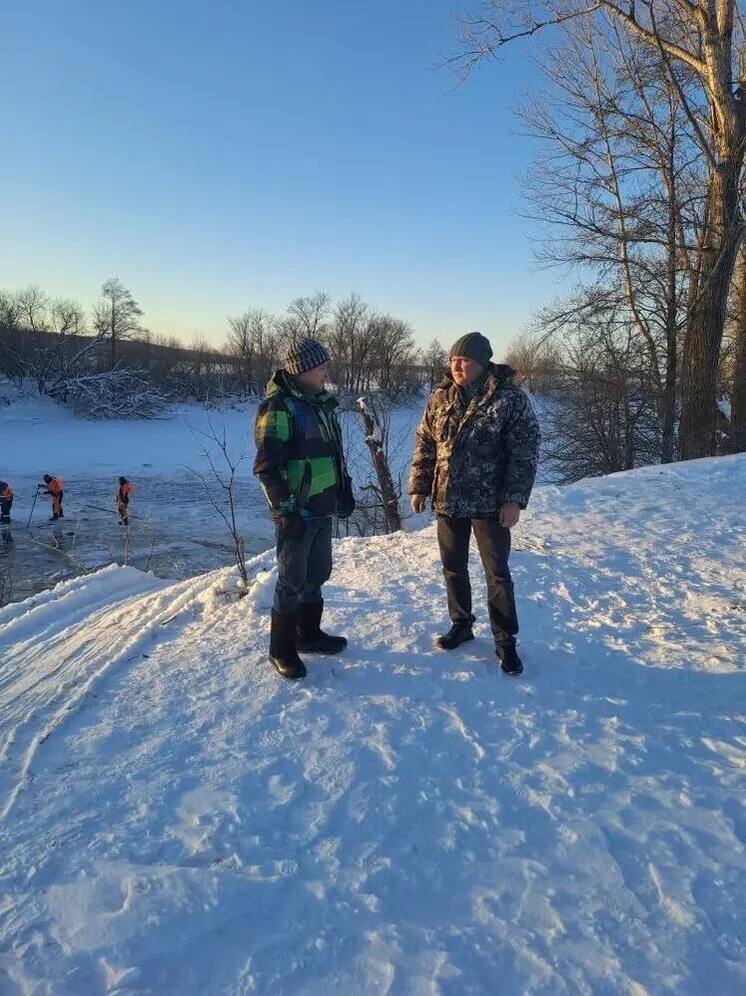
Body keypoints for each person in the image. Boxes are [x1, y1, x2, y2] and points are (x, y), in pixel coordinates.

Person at [408, 332, 540, 675]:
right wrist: (419, 486)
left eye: (464, 361)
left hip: (490, 503)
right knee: (453, 568)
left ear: (482, 364)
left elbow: (523, 453)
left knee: (497, 573)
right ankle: (462, 625)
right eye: (453, 360)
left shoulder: (509, 399)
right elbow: (425, 442)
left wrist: (514, 500)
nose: (456, 366)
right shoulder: (440, 398)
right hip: (448, 500)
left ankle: (505, 641)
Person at [253, 337, 355, 680]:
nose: (326, 372)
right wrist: (286, 511)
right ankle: (281, 649)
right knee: (291, 579)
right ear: (302, 370)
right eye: (321, 367)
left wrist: (344, 489)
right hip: (297, 512)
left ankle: (308, 634)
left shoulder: (321, 403)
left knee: (318, 573)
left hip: (322, 506)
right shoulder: (279, 407)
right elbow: (266, 468)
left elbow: (333, 454)